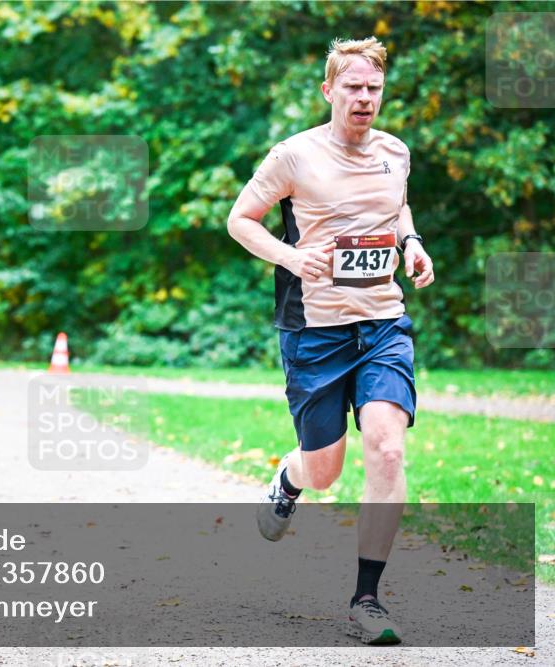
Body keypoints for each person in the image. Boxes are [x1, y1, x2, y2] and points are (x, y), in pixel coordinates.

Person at [226, 37, 434, 645]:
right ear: (329, 91)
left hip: (383, 322)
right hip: (315, 331)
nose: (365, 98)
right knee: (325, 471)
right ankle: (289, 479)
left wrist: (411, 243)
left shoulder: (396, 152)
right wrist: (292, 257)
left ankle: (367, 599)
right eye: (353, 88)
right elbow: (240, 219)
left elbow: (397, 207)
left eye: (374, 88)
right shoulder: (293, 156)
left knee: (388, 449)